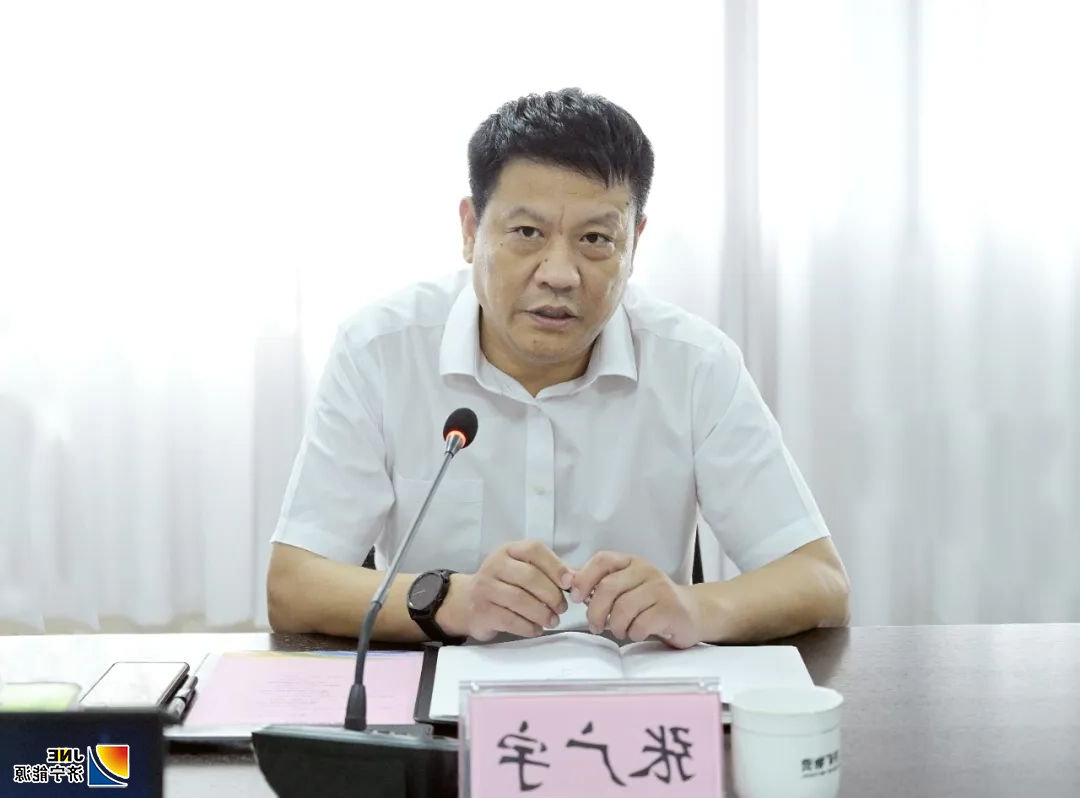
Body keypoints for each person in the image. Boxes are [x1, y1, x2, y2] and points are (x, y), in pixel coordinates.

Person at [267, 88, 850, 648]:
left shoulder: (695, 363)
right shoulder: (381, 350)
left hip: (635, 691)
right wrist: (453, 601)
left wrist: (696, 608)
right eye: (527, 233)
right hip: (443, 692)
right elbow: (294, 586)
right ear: (470, 230)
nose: (559, 274)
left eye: (595, 239)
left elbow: (819, 581)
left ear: (634, 243)